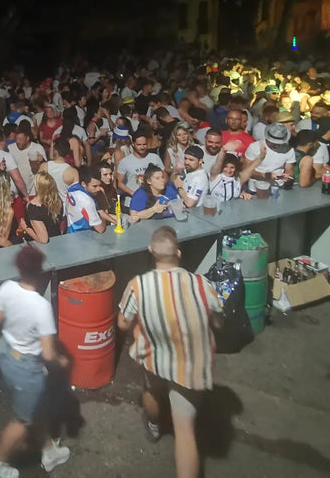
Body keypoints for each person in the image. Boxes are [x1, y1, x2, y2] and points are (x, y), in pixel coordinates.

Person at [117, 226, 223, 478]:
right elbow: (218, 322)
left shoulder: (138, 286)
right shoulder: (202, 284)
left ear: (150, 251)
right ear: (178, 252)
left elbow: (122, 323)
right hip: (190, 364)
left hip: (154, 357)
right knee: (185, 430)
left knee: (151, 390)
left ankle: (154, 426)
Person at [0, 246, 70, 478]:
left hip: (8, 357)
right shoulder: (41, 307)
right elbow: (48, 354)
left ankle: (49, 452)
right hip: (26, 369)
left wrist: (16, 319)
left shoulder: (7, 288)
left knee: (35, 409)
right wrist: (61, 360)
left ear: (18, 268)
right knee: (23, 421)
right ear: (40, 271)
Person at [115, 133, 164, 205]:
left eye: (144, 144)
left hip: (154, 200)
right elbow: (118, 182)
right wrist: (132, 193)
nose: (142, 147)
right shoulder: (125, 162)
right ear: (133, 144)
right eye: (139, 145)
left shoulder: (155, 157)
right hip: (133, 201)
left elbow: (164, 175)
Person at [7, 123, 47, 197]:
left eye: (21, 139)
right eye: (16, 139)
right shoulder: (10, 148)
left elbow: (45, 169)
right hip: (16, 191)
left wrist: (41, 161)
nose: (18, 142)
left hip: (33, 190)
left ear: (27, 138)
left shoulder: (38, 148)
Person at [65, 166, 107, 234]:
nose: (99, 189)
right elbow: (100, 229)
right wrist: (104, 219)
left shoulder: (71, 189)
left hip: (70, 233)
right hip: (83, 236)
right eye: (95, 186)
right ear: (83, 184)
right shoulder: (88, 202)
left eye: (100, 185)